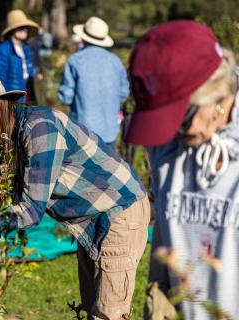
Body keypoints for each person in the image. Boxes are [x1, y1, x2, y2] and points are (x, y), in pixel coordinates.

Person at [0, 73, 150, 320]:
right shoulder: (6, 137)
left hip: (120, 209)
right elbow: (3, 196)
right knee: (92, 306)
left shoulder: (39, 129)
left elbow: (31, 210)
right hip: (90, 218)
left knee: (109, 313)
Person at [125, 21, 239, 320]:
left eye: (177, 118)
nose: (170, 133)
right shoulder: (166, 145)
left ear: (216, 94)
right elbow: (166, 230)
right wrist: (159, 290)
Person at [58, 17, 129, 149]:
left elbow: (65, 97)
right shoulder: (115, 61)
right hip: (110, 130)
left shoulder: (75, 60)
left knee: (81, 168)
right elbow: (124, 93)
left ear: (83, 37)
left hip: (82, 130)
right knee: (108, 168)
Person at [0, 9, 38, 103]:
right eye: (20, 27)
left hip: (26, 97)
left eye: (25, 27)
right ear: (12, 30)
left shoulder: (25, 49)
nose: (24, 29)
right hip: (11, 100)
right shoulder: (3, 50)